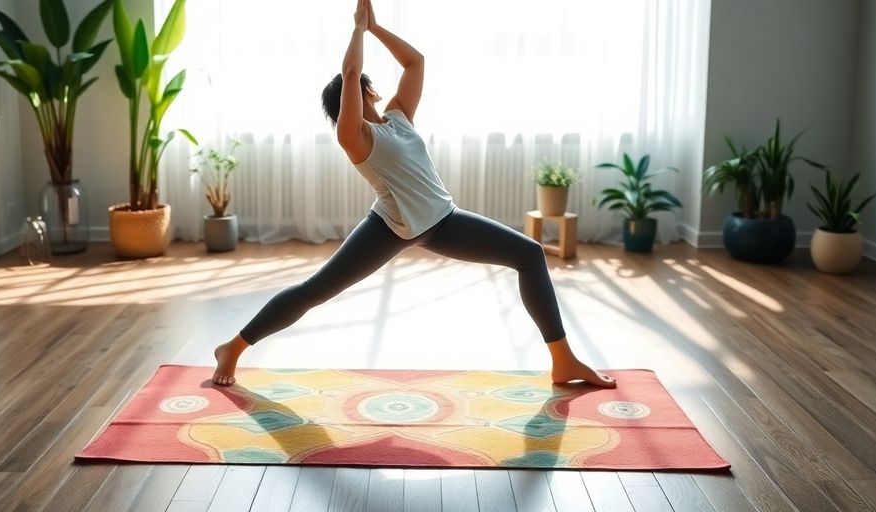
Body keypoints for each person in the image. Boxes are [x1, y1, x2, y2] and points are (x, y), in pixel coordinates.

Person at [211, 0, 615, 389]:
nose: (373, 91)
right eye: (367, 89)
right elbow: (351, 74)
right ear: (363, 93)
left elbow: (415, 62)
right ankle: (232, 347)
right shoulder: (354, 136)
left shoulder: (399, 118)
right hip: (389, 227)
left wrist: (375, 27)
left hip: (443, 221)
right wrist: (356, 28)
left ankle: (562, 360)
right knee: (316, 290)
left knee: (529, 254)